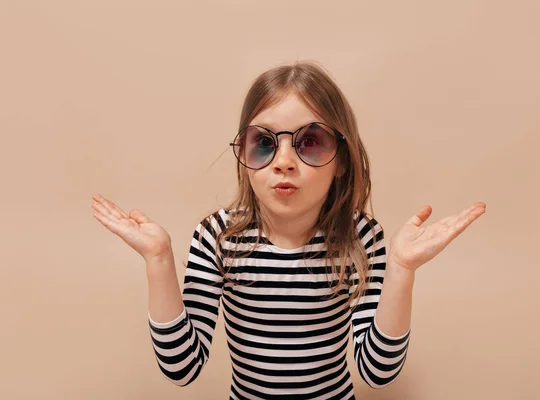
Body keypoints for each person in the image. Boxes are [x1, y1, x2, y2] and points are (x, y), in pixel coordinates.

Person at [91, 61, 486, 399]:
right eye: (263, 143)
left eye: (310, 142)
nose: (283, 162)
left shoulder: (362, 237)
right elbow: (182, 367)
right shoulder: (218, 237)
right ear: (243, 153)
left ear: (342, 161)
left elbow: (376, 372)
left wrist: (402, 269)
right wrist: (159, 260)